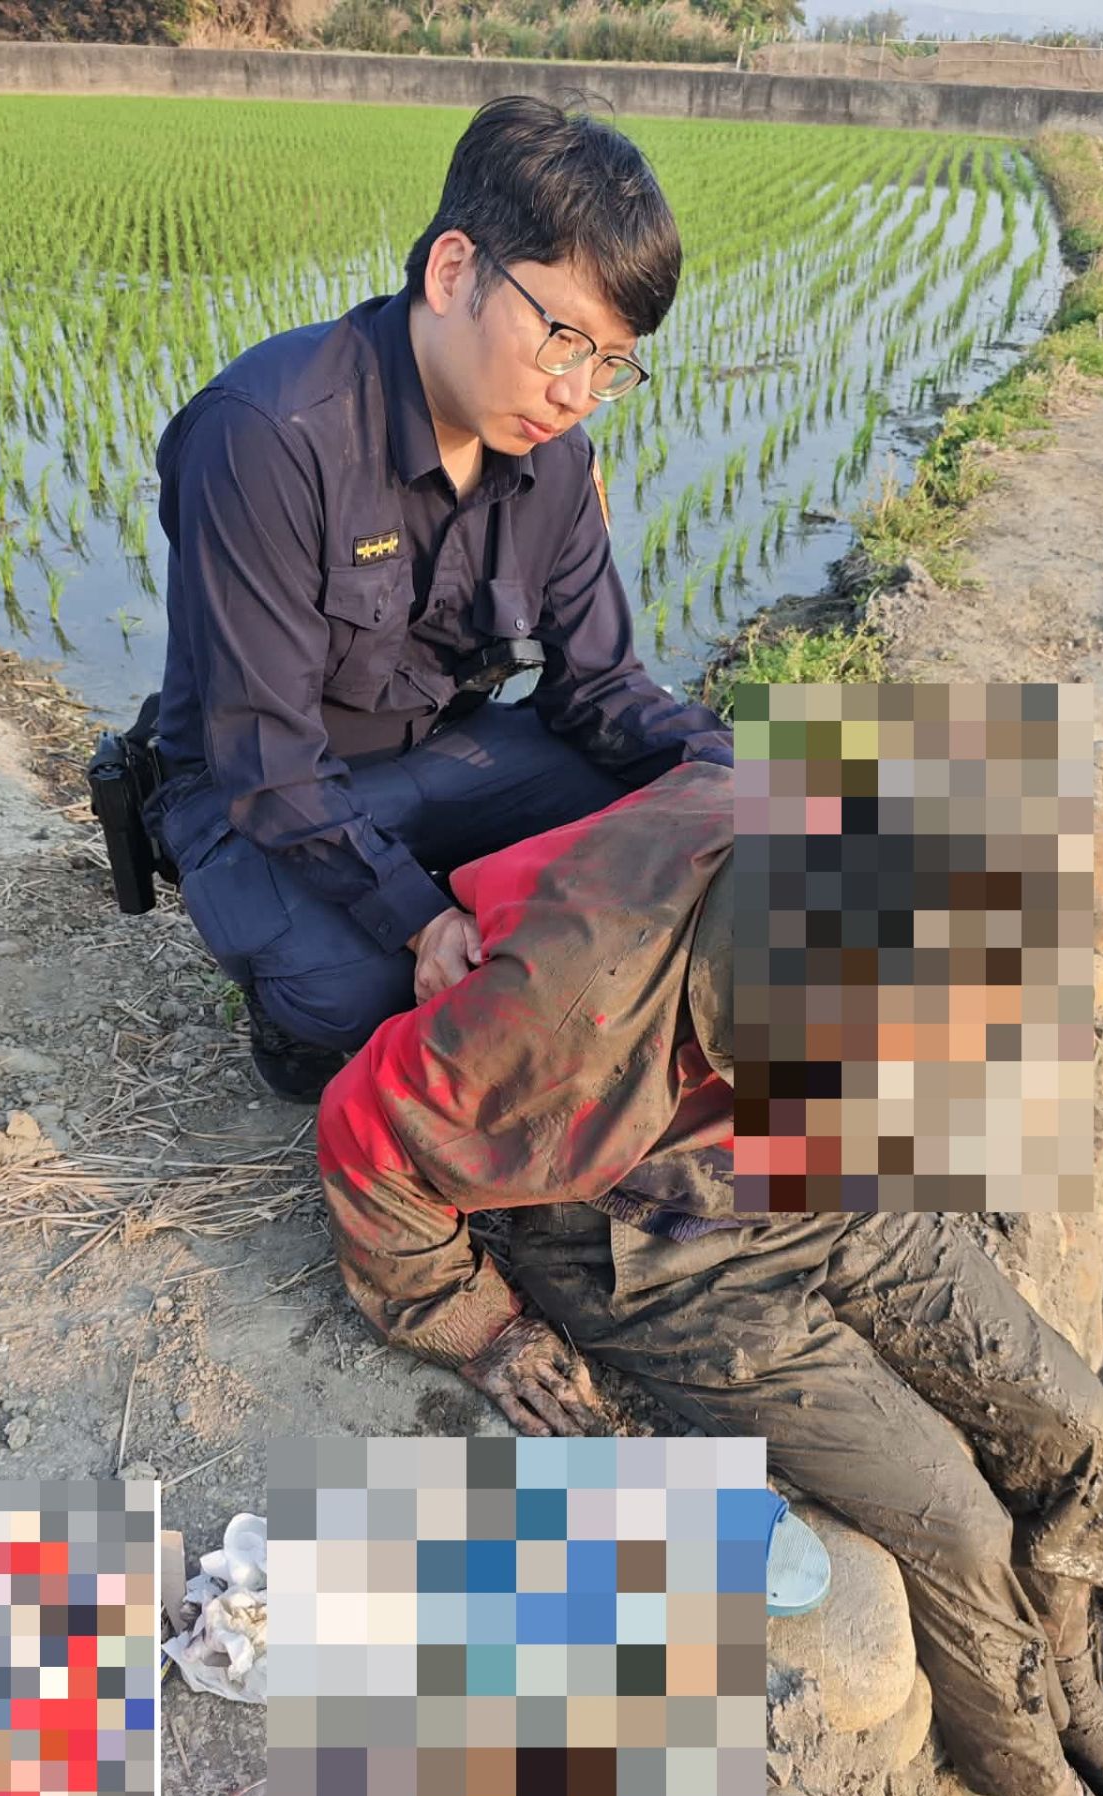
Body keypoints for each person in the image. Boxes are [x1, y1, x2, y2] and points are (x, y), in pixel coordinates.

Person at [193, 759, 1103, 1796]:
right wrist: (477, 1323)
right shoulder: (566, 1016)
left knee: (1069, 1413)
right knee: (951, 1516)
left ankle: (1074, 1686)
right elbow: (364, 1131)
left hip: (820, 1178)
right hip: (658, 1250)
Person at [144, 94, 731, 1104]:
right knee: (352, 987)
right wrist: (421, 922)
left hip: (447, 762)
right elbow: (269, 759)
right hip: (259, 794)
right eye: (563, 338)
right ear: (454, 271)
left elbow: (600, 689)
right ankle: (297, 1021)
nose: (575, 392)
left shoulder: (555, 461)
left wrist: (750, 778)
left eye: (611, 364)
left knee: (676, 829)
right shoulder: (270, 435)